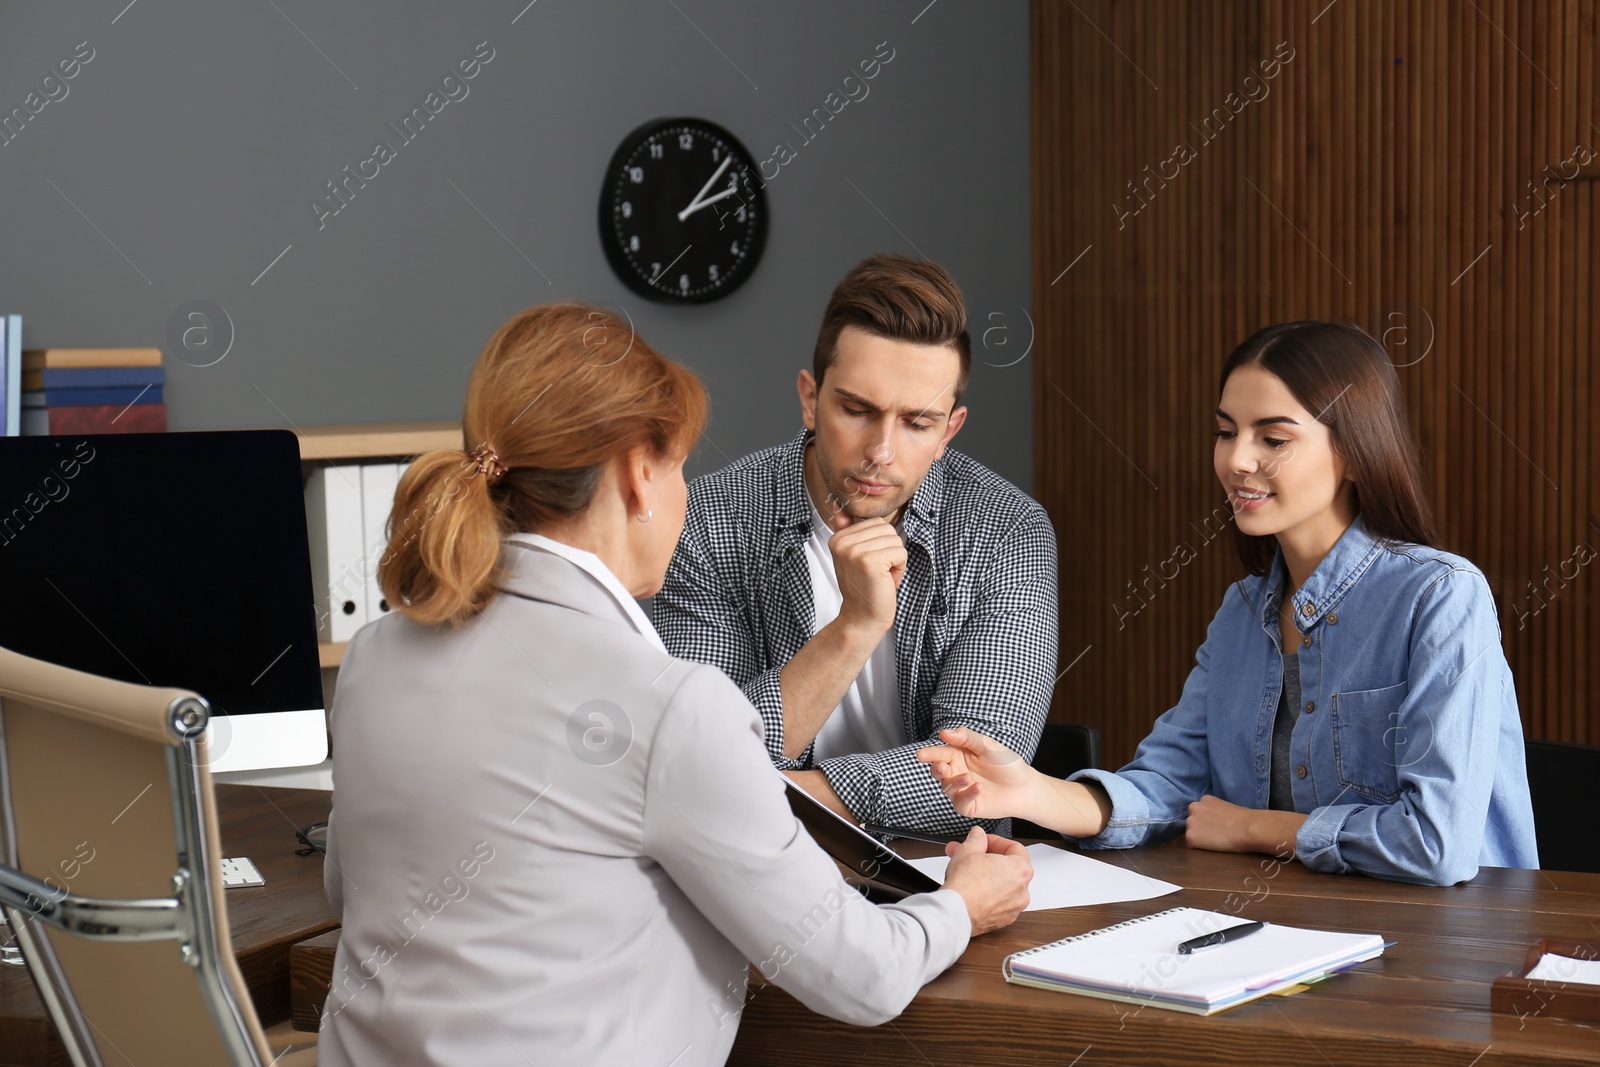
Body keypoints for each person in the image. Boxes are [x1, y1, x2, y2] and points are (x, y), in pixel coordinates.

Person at [317, 304, 1032, 1067]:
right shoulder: (670, 706)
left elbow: (352, 889)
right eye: (681, 465)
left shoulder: (374, 654)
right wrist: (963, 904)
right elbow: (863, 975)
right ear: (638, 474)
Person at [918, 321, 1538, 887]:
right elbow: (1167, 786)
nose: (1237, 460)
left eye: (1272, 437)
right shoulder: (1243, 612)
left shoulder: (1442, 595)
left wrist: (1253, 827)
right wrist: (1030, 792)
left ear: (1352, 451)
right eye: (1225, 432)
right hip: (1299, 934)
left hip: (1453, 957)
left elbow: (1438, 844)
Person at [647, 254, 1059, 834]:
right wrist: (857, 625)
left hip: (943, 868)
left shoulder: (1005, 529)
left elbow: (980, 776)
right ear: (811, 399)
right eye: (858, 410)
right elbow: (704, 754)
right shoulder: (711, 520)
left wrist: (769, 797)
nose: (882, 452)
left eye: (917, 422)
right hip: (762, 878)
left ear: (949, 430)